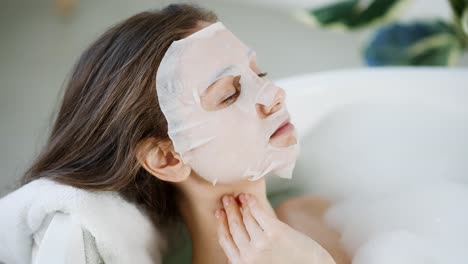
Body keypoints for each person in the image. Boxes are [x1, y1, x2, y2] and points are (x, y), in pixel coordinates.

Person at [1, 3, 349, 264]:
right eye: (228, 94)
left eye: (259, 74)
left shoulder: (320, 215)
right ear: (167, 158)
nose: (275, 94)